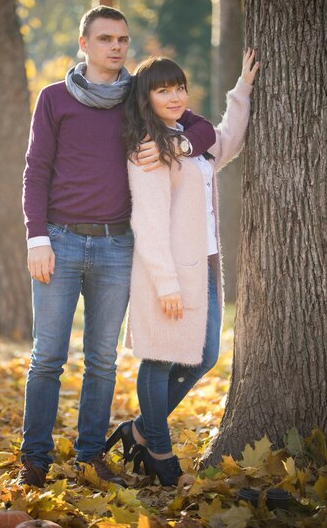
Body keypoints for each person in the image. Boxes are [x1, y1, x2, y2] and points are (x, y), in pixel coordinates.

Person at [19, 5, 216, 488]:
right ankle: (35, 458)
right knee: (47, 356)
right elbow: (35, 171)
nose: (116, 47)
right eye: (106, 39)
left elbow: (203, 128)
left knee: (102, 359)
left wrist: (183, 145)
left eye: (123, 40)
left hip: (117, 246)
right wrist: (37, 237)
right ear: (84, 43)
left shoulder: (137, 97)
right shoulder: (53, 99)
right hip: (60, 243)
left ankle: (90, 457)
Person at [105, 49, 259, 486]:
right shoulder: (149, 150)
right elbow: (148, 222)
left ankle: (135, 429)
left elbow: (229, 137)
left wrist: (242, 89)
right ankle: (157, 447)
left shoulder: (190, 141)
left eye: (179, 88)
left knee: (204, 357)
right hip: (167, 272)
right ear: (146, 96)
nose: (174, 96)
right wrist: (166, 283)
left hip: (204, 267)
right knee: (158, 359)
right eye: (162, 89)